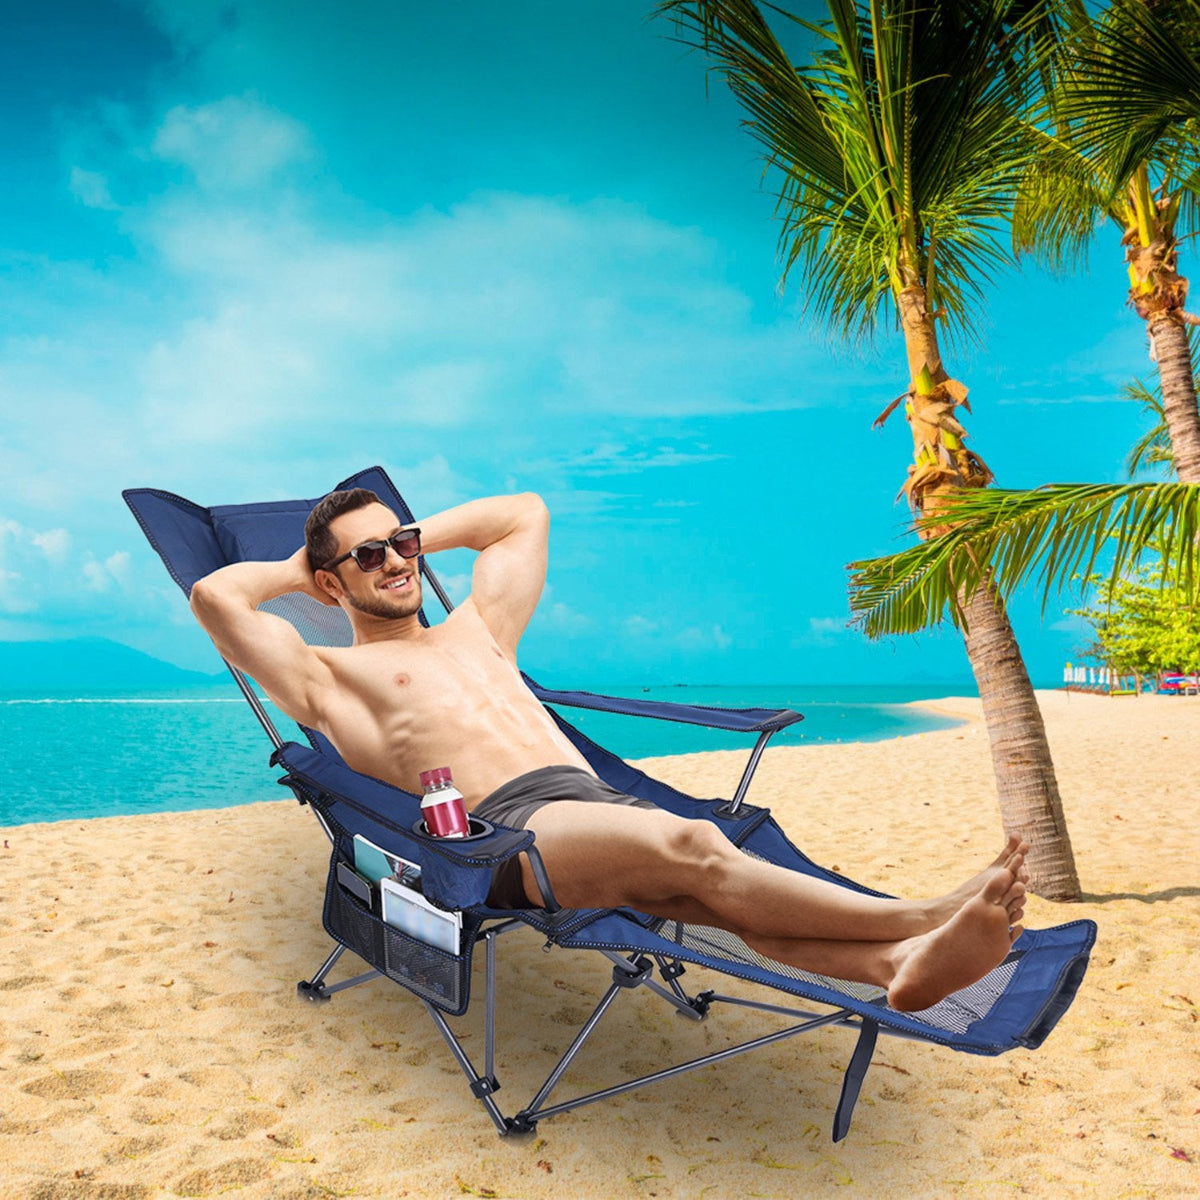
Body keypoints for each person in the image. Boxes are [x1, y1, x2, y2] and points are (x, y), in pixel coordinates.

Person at [189, 487, 1028, 1013]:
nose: (397, 562)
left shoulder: (480, 630)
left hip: (589, 810)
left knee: (717, 898)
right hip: (502, 839)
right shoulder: (332, 676)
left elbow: (524, 512)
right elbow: (215, 596)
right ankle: (920, 915)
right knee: (695, 843)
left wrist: (405, 530)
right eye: (368, 558)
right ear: (331, 584)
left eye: (401, 545)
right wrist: (307, 565)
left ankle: (897, 965)